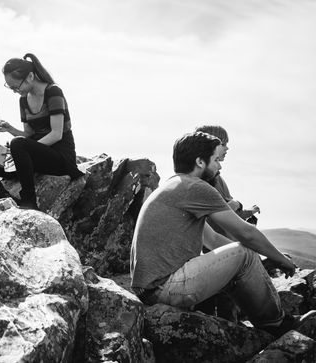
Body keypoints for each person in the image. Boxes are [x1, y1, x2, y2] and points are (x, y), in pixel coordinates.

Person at [130, 132, 306, 336]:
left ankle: (252, 322)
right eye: (216, 160)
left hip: (150, 290)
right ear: (200, 161)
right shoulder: (196, 187)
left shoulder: (175, 186)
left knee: (243, 257)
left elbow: (212, 240)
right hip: (165, 288)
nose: (219, 167)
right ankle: (275, 324)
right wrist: (281, 259)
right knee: (245, 253)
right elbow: (246, 233)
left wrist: (263, 260)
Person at [0, 53, 83, 210]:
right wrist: (10, 129)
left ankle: (29, 200)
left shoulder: (53, 92)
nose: (15, 91)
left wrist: (25, 149)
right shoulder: (23, 99)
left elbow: (56, 134)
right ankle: (6, 198)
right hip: (36, 156)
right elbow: (28, 135)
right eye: (11, 88)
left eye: (16, 86)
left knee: (18, 145)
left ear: (30, 77)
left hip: (60, 157)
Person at [194, 125, 260, 224]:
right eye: (223, 144)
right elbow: (217, 215)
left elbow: (226, 213)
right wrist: (237, 204)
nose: (227, 148)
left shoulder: (215, 176)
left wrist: (247, 212)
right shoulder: (205, 177)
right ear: (210, 145)